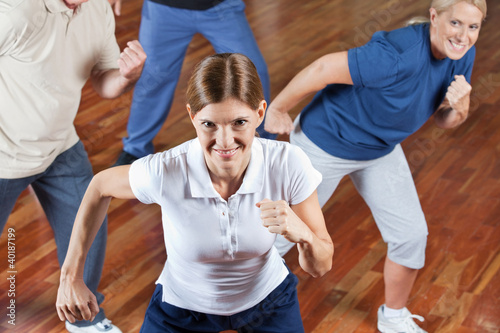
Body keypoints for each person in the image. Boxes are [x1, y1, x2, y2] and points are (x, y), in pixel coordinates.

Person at [56, 53, 333, 333]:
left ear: (260, 113)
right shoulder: (167, 171)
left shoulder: (287, 163)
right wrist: (71, 276)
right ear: (192, 116)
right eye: (209, 124)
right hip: (183, 310)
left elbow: (320, 266)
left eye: (239, 122)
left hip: (267, 301)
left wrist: (304, 235)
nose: (225, 142)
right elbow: (100, 185)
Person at [264, 0, 486, 332]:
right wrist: (278, 108)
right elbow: (323, 69)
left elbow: (443, 118)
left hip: (379, 149)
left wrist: (461, 107)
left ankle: (393, 317)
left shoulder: (461, 51)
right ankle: (233, 303)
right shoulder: (396, 55)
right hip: (324, 143)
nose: (464, 35)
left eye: (473, 27)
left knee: (411, 235)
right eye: (456, 23)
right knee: (277, 238)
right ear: (434, 17)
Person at [0, 0, 147, 332]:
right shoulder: (15, 12)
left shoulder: (97, 9)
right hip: (5, 157)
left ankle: (84, 319)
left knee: (89, 225)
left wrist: (126, 76)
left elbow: (103, 82)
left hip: (60, 145)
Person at [111, 0, 276, 167]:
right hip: (162, 8)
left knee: (253, 73)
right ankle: (135, 148)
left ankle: (261, 144)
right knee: (151, 79)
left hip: (220, 7)